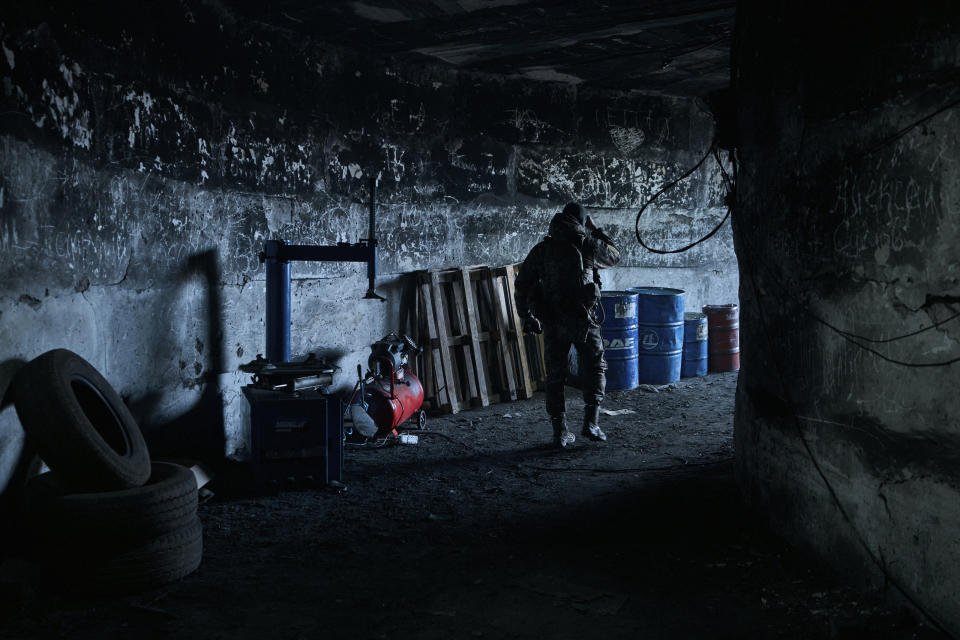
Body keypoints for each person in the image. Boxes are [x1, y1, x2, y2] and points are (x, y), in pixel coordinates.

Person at [514, 202, 621, 448]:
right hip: (584, 318)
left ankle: (560, 432)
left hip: (553, 320)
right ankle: (591, 423)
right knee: (595, 367)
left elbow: (522, 284)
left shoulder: (543, 249)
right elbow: (615, 255)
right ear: (582, 222)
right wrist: (596, 229)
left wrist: (526, 316)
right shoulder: (589, 244)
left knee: (555, 376)